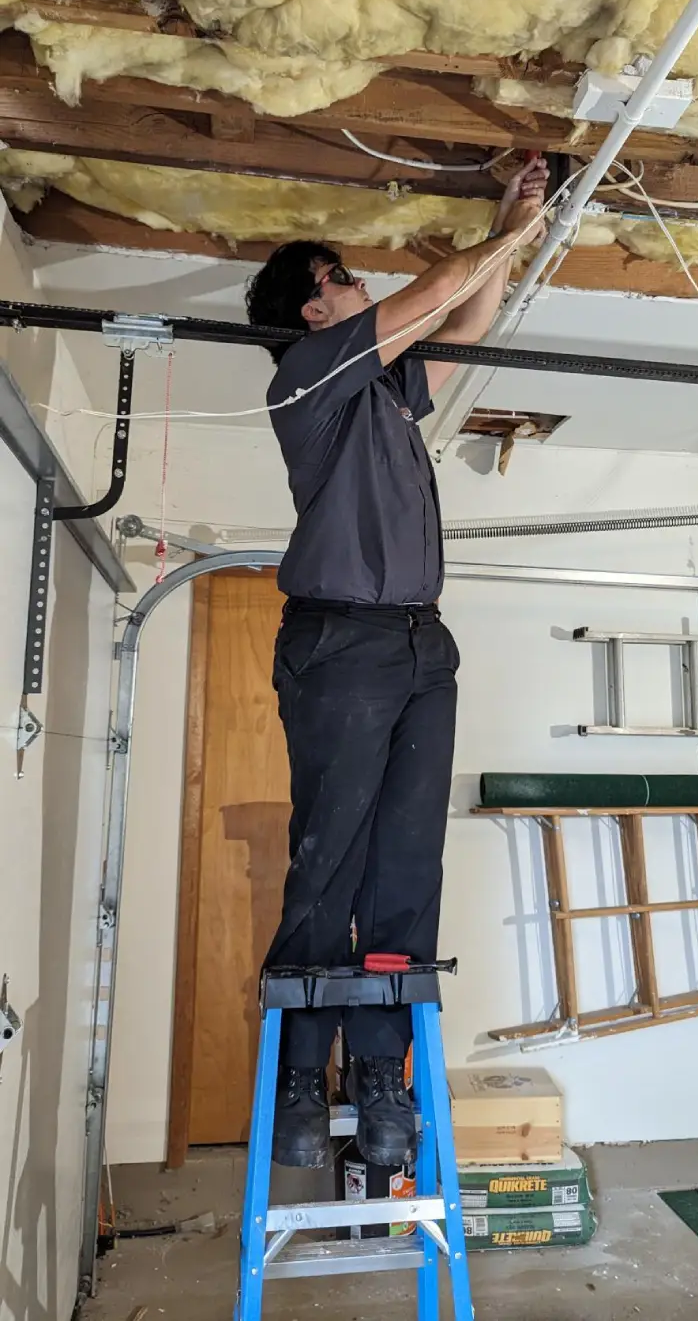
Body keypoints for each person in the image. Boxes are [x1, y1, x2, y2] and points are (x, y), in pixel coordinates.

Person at [245, 155, 548, 1169]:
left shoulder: (380, 390)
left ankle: (379, 1075)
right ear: (312, 304)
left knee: (406, 863)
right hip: (344, 639)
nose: (356, 280)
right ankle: (297, 1078)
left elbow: (458, 327)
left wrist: (514, 224)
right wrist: (500, 239)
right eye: (339, 274)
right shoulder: (308, 378)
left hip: (420, 643)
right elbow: (433, 294)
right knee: (329, 855)